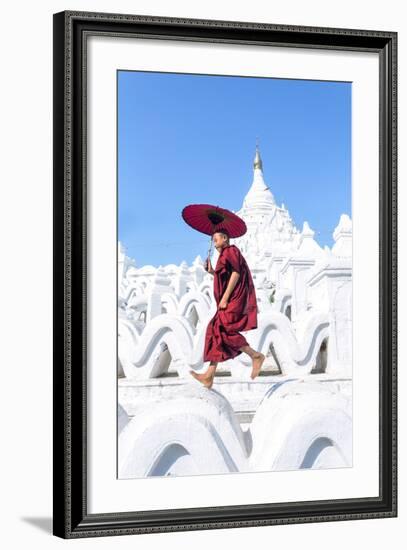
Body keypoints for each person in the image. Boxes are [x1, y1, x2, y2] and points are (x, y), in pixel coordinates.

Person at [190, 229, 265, 388]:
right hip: (229, 299)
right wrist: (212, 271)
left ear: (225, 238)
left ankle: (255, 356)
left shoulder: (231, 251)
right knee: (216, 329)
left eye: (216, 238)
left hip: (233, 299)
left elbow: (236, 273)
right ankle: (209, 375)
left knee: (223, 328)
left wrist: (224, 298)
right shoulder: (224, 254)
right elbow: (225, 275)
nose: (214, 240)